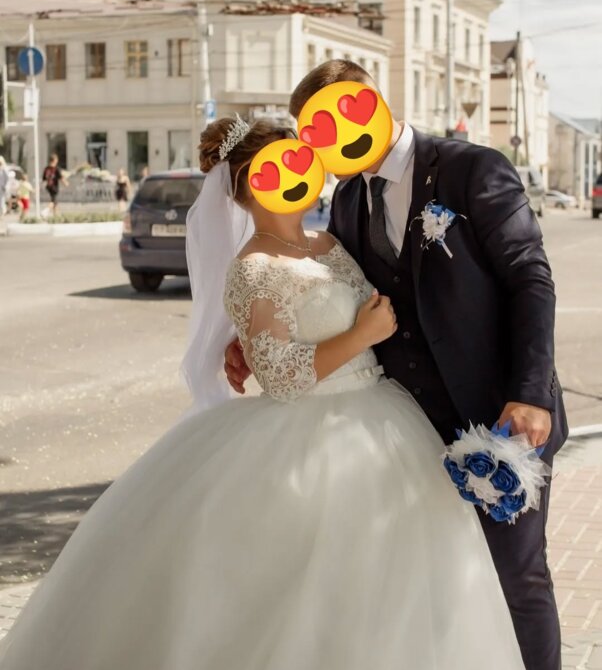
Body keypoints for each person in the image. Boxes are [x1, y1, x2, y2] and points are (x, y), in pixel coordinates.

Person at [0, 117, 525, 670]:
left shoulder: (329, 241)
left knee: (403, 590)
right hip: (312, 437)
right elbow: (282, 377)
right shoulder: (253, 267)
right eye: (278, 168)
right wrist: (361, 335)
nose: (298, 175)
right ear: (247, 188)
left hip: (384, 421)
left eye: (302, 161)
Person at [225, 60, 567, 670]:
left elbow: (530, 280)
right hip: (407, 434)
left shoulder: (472, 169)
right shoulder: (347, 198)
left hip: (501, 418)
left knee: (515, 579)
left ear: (371, 101)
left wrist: (531, 393)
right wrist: (250, 337)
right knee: (440, 584)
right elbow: (329, 292)